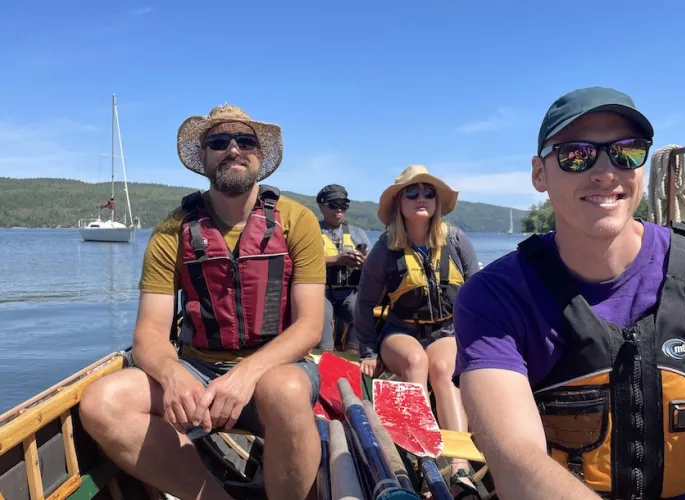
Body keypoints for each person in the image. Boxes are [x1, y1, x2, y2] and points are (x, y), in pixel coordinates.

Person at [453, 87, 685, 500]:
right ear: (539, 173)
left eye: (626, 151)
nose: (606, 171)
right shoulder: (494, 297)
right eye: (577, 154)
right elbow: (516, 461)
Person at [78, 104, 327, 500]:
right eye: (218, 142)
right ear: (204, 157)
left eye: (245, 141)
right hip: (198, 371)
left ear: (260, 155)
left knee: (284, 391)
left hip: (276, 369)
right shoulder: (173, 230)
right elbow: (148, 334)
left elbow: (310, 326)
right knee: (102, 403)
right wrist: (174, 376)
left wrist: (245, 376)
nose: (233, 149)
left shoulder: (297, 220)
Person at [355, 165, 481, 499]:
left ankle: (459, 466)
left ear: (437, 202)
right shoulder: (385, 248)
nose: (420, 198)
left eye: (428, 192)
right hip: (401, 330)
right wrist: (368, 352)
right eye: (411, 192)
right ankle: (422, 459)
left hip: (445, 330)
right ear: (399, 202)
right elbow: (365, 303)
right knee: (414, 362)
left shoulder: (455, 240)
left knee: (443, 369)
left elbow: (477, 292)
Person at [316, 184, 370, 352]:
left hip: (350, 291)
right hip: (321, 291)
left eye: (343, 206)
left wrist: (364, 261)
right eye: (333, 205)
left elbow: (372, 263)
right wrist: (337, 259)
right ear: (321, 206)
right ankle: (324, 354)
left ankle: (352, 356)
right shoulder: (311, 230)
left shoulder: (358, 233)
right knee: (322, 317)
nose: (339, 210)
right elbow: (303, 262)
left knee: (360, 313)